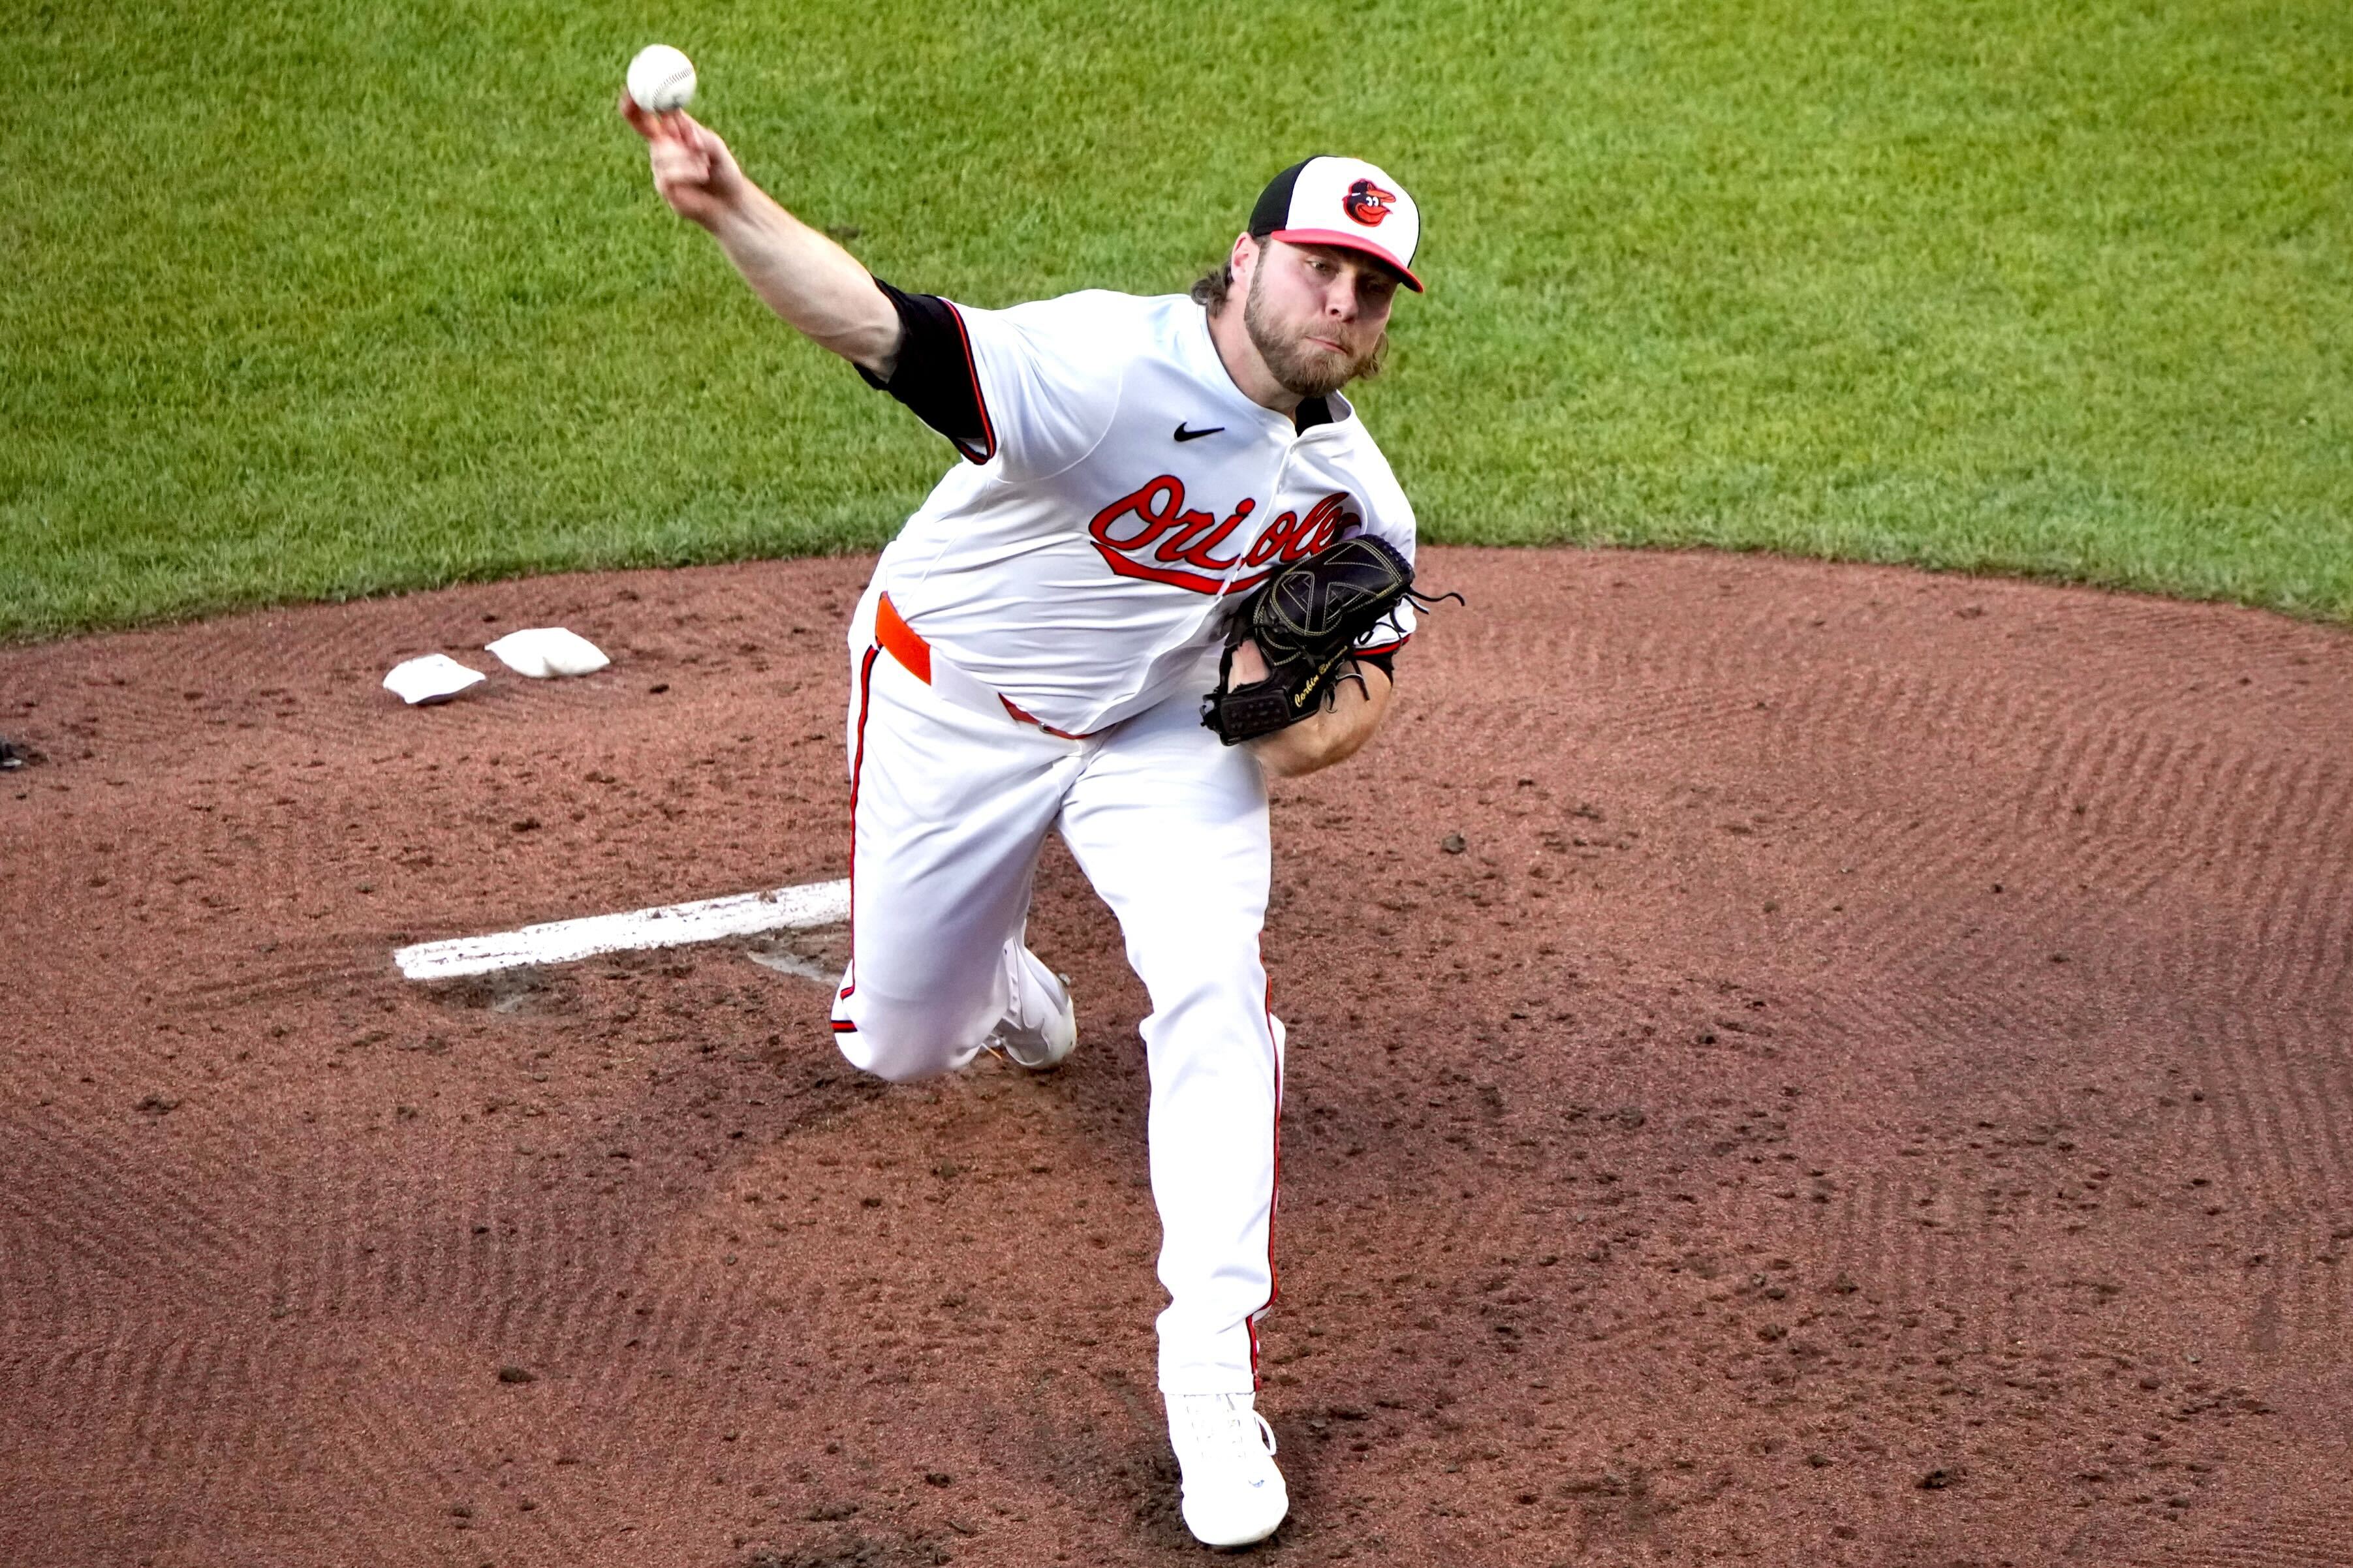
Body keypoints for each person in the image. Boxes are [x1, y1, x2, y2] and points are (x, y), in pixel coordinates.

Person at [623, 94, 1425, 1549]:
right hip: (954, 703)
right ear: (1243, 260)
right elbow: (883, 329)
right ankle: (999, 962)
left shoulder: (1356, 496)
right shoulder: (1107, 367)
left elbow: (1364, 687)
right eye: (1322, 264)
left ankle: (1209, 1374)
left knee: (1214, 989)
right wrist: (737, 207)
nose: (1345, 300)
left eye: (1372, 289)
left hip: (1156, 734)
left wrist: (1283, 724)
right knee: (898, 1042)